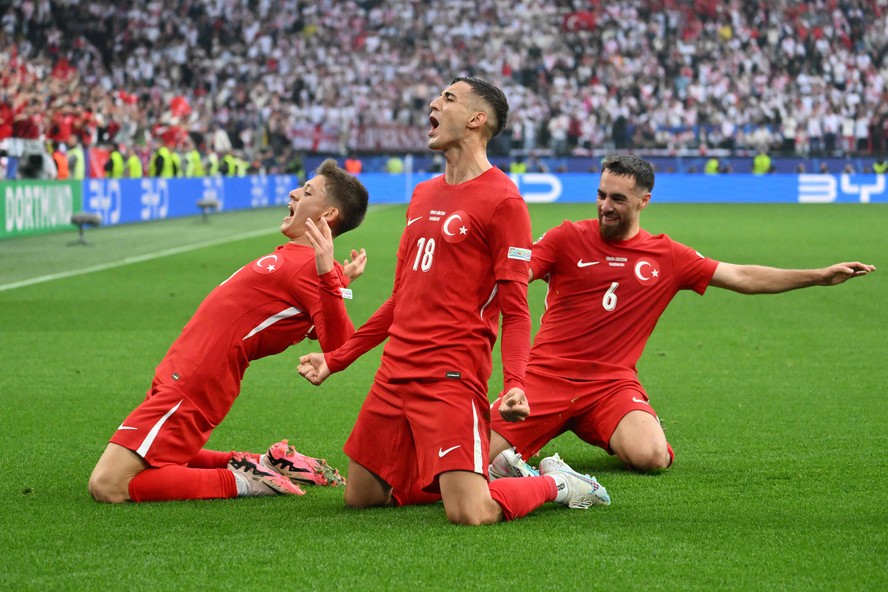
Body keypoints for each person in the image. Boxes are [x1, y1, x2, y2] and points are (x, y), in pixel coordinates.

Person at [297, 77, 610, 526]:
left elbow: (516, 308)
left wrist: (516, 381)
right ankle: (480, 470)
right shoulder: (423, 194)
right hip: (395, 371)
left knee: (470, 513)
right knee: (361, 497)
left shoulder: (504, 201)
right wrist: (337, 359)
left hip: (450, 372)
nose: (433, 102)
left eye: (448, 98)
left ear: (477, 120)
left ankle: (559, 483)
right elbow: (400, 299)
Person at [488, 154, 876, 474]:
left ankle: (593, 441)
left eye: (619, 199)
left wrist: (817, 277)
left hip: (611, 385)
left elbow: (740, 275)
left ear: (644, 201)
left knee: (652, 457)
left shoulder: (667, 256)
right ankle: (531, 442)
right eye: (602, 195)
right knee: (474, 457)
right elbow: (514, 276)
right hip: (544, 378)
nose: (606, 206)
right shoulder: (565, 237)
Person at [88, 159, 370, 503]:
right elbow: (310, 316)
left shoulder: (312, 268)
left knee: (108, 484)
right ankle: (258, 464)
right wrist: (339, 281)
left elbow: (340, 346)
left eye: (308, 191)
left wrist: (331, 277)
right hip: (183, 371)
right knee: (156, 456)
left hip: (196, 379)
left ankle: (247, 482)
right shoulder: (304, 265)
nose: (294, 192)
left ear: (327, 216)